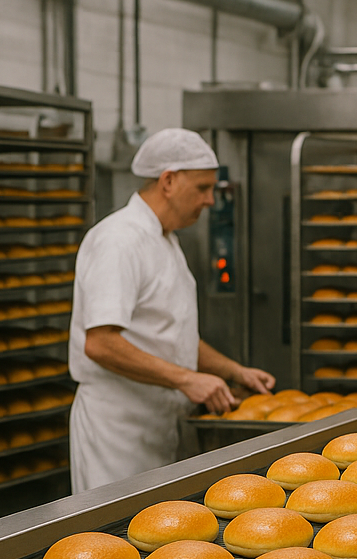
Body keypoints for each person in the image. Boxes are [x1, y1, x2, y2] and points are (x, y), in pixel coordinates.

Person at [68, 128, 274, 493]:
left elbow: (171, 336)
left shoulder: (165, 240)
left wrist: (232, 370)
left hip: (160, 423)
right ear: (168, 181)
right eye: (202, 188)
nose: (211, 200)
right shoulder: (120, 241)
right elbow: (99, 343)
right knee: (112, 540)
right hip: (118, 431)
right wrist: (187, 379)